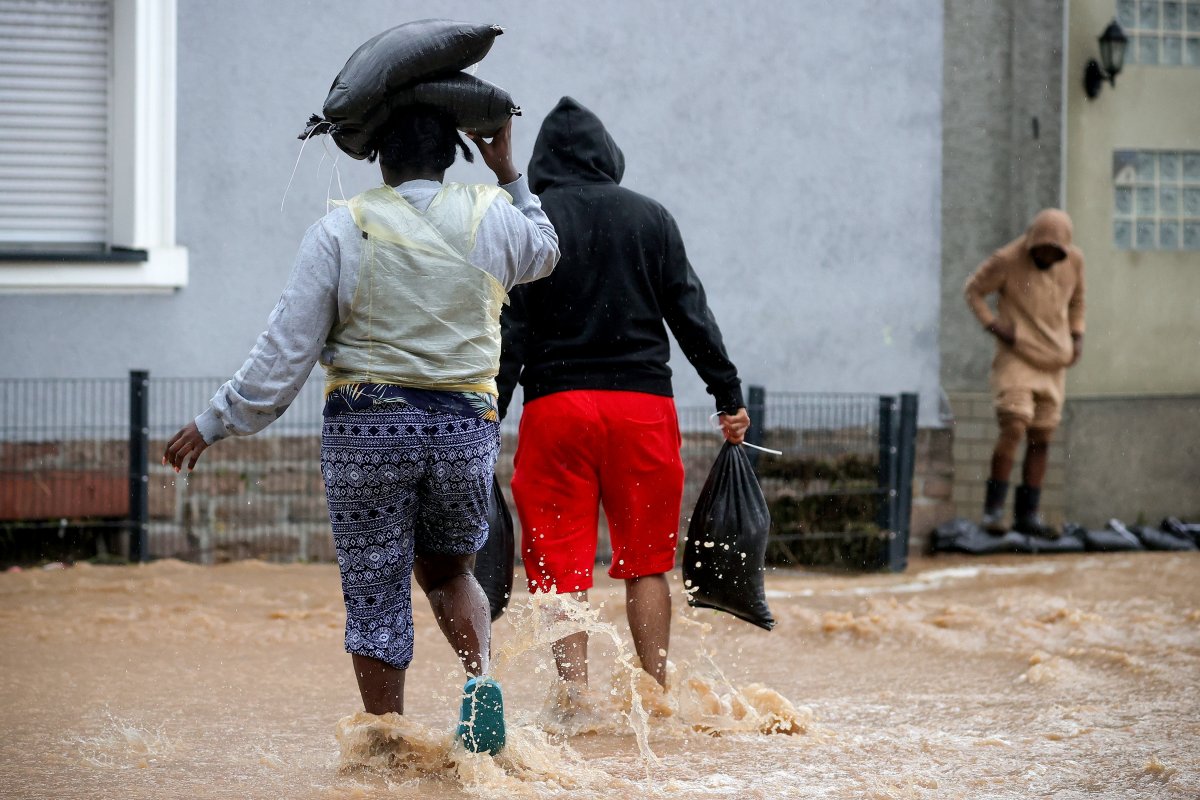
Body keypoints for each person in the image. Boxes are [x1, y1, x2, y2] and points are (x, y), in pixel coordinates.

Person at [162, 107, 559, 753]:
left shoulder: (341, 229)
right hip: (464, 430)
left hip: (371, 431)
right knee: (453, 571)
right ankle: (481, 682)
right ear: (454, 155)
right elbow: (547, 250)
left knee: (377, 588)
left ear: (378, 158)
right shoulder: (494, 216)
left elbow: (285, 350)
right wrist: (508, 168)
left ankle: (386, 749)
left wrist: (217, 421)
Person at [496, 97, 749, 703]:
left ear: (544, 161)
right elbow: (690, 313)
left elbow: (511, 331)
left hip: (556, 410)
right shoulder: (651, 218)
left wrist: (490, 413)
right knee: (648, 561)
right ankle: (656, 691)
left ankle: (575, 703)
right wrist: (726, 392)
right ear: (607, 155)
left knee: (558, 568)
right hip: (642, 410)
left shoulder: (531, 222)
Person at [965, 208, 1085, 537]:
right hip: (1017, 355)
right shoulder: (1006, 260)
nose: (1047, 256)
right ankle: (992, 511)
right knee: (1015, 423)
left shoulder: (1075, 262)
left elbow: (1078, 301)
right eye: (1042, 250)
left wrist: (1077, 335)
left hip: (1054, 361)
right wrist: (994, 326)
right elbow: (973, 290)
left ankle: (1027, 515)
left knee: (1042, 436)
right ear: (1031, 243)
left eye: (1055, 253)